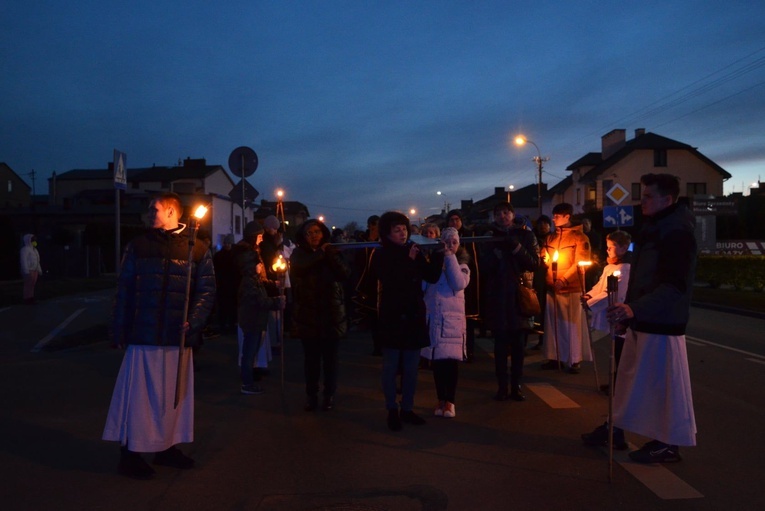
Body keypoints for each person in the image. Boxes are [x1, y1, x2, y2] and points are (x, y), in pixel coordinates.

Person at [582, 173, 698, 463]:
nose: (641, 200)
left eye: (648, 196)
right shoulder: (655, 227)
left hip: (663, 322)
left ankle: (669, 443)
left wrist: (635, 308)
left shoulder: (677, 232)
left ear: (666, 199)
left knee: (663, 386)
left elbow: (675, 285)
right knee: (629, 381)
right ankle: (616, 428)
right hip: (644, 318)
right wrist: (629, 311)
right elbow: (641, 278)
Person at [102, 192, 216, 480]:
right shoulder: (138, 246)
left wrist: (194, 321)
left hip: (178, 337)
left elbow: (206, 290)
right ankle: (129, 454)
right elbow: (124, 288)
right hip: (145, 333)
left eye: (155, 209)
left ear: (171, 212)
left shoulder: (197, 248)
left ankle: (166, 447)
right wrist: (118, 328)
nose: (150, 213)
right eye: (150, 209)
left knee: (173, 398)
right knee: (138, 399)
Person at [371, 211, 444, 431]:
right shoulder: (381, 254)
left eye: (404, 228)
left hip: (413, 314)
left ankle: (408, 408)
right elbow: (393, 282)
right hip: (393, 315)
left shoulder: (413, 250)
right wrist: (410, 261)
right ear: (387, 233)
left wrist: (439, 252)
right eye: (397, 229)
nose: (402, 232)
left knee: (412, 367)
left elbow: (431, 275)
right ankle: (392, 408)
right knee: (391, 366)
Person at [291, 219, 352, 411]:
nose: (314, 235)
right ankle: (311, 395)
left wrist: (331, 256)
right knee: (311, 360)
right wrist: (320, 254)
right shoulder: (299, 254)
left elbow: (345, 274)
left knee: (331, 359)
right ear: (303, 236)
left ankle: (329, 394)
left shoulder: (331, 251)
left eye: (317, 231)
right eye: (309, 232)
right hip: (308, 313)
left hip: (331, 312)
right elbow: (300, 268)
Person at [481, 202, 539, 401]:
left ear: (513, 214)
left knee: (518, 346)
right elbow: (484, 267)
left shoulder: (525, 235)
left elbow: (534, 263)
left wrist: (516, 247)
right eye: (499, 213)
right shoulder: (490, 238)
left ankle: (516, 385)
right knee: (499, 346)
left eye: (506, 212)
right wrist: (495, 258)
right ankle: (502, 386)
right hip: (498, 297)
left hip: (518, 296)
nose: (503, 216)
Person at [421, 227, 470, 418]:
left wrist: (449, 257)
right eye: (446, 242)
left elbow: (458, 283)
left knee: (450, 364)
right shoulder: (433, 261)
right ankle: (440, 399)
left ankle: (451, 401)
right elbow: (424, 285)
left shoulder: (463, 265)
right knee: (437, 364)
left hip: (452, 322)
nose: (450, 245)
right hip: (434, 319)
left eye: (454, 242)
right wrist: (433, 260)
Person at [540, 203, 591, 373]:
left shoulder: (579, 237)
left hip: (571, 288)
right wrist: (545, 260)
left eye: (557, 216)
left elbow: (579, 263)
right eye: (553, 216)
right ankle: (555, 357)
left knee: (571, 325)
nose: (554, 219)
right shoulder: (551, 237)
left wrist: (563, 280)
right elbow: (544, 254)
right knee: (553, 325)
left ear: (567, 216)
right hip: (552, 287)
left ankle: (573, 359)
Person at [236, 221, 285, 395]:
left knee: (253, 347)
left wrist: (273, 282)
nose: (261, 239)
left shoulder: (253, 274)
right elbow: (258, 299)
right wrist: (276, 302)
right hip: (252, 314)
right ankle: (247, 383)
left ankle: (249, 379)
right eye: (259, 236)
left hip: (254, 314)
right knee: (250, 349)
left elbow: (260, 282)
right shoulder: (249, 279)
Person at [581, 230, 631, 393]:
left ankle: (621, 385)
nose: (607, 250)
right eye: (607, 247)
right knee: (616, 350)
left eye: (611, 247)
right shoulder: (610, 266)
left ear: (623, 248)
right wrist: (589, 294)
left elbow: (613, 292)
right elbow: (601, 285)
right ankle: (616, 383)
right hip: (612, 313)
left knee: (622, 353)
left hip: (620, 315)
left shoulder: (625, 268)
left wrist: (590, 304)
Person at [446, 209, 481, 362]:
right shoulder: (444, 237)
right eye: (451, 220)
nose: (454, 222)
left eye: (457, 219)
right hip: (448, 283)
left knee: (468, 320)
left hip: (467, 281)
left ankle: (469, 350)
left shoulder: (470, 236)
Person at [530, 215, 552, 348]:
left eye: (546, 223)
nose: (543, 226)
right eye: (541, 223)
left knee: (546, 309)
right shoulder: (532, 239)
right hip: (536, 277)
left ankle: (544, 339)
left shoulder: (553, 238)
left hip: (549, 278)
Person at [213, 234, 238, 333]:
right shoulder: (219, 256)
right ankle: (223, 325)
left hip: (231, 285)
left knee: (231, 306)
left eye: (229, 243)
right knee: (224, 306)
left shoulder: (234, 256)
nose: (227, 245)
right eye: (226, 243)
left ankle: (230, 325)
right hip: (223, 284)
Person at [19, 233, 42, 304]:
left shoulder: (35, 250)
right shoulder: (25, 249)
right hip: (29, 270)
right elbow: (23, 260)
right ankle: (27, 298)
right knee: (28, 285)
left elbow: (37, 260)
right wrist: (26, 271)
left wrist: (39, 270)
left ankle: (31, 298)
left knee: (32, 285)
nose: (34, 241)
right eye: (32, 240)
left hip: (34, 270)